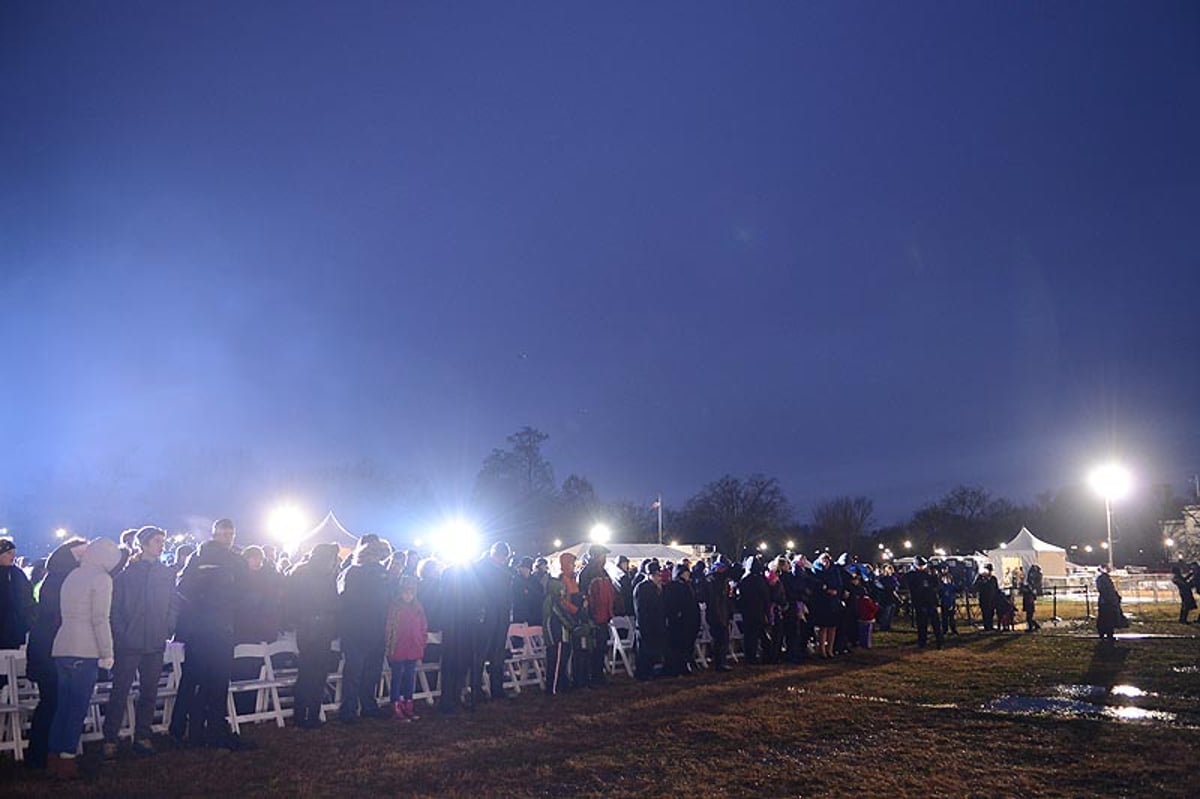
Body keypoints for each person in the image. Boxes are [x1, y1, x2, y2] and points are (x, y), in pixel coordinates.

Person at [170, 518, 250, 749]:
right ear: (215, 535)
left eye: (230, 534)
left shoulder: (216, 558)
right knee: (209, 681)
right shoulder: (215, 558)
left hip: (209, 629)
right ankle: (202, 729)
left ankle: (198, 729)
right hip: (211, 629)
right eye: (223, 534)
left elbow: (183, 589)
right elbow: (243, 592)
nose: (227, 538)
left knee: (205, 681)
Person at [47, 537, 121, 779]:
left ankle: (54, 756)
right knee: (77, 708)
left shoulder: (72, 576)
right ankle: (68, 759)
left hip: (62, 646)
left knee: (63, 706)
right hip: (85, 649)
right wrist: (107, 653)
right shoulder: (102, 579)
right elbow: (100, 619)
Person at [103, 526, 178, 758]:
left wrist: (167, 627)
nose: (161, 545)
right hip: (130, 643)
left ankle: (143, 736)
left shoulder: (165, 574)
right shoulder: (126, 576)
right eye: (157, 541)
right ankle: (110, 739)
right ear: (143, 544)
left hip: (154, 641)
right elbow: (114, 609)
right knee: (120, 691)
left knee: (149, 691)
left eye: (162, 541)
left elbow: (173, 603)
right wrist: (123, 633)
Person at [24, 537, 87, 770]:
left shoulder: (64, 579)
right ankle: (41, 753)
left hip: (57, 648)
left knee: (57, 702)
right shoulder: (57, 581)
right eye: (80, 556)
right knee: (51, 701)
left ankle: (49, 751)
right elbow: (54, 615)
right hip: (49, 650)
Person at [337, 536, 393, 722]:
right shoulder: (372, 573)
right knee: (365, 671)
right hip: (367, 627)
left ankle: (353, 709)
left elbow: (345, 598)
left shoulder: (352, 572)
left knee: (359, 671)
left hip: (359, 627)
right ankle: (361, 707)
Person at [285, 543, 340, 729]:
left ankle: (309, 715)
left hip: (318, 629)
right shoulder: (309, 575)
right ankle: (304, 715)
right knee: (311, 674)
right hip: (312, 629)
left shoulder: (319, 575)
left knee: (315, 674)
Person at [474, 542, 514, 701]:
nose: (503, 561)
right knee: (480, 655)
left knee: (498, 654)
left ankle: (497, 689)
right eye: (503, 558)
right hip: (486, 617)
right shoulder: (480, 569)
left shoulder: (504, 572)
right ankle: (477, 690)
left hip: (500, 616)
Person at [385, 575, 428, 721]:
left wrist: (422, 642)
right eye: (406, 592)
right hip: (399, 647)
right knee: (397, 677)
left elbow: (423, 626)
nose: (408, 595)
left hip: (413, 647)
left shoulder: (418, 607)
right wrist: (389, 646)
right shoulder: (395, 607)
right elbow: (390, 628)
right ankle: (395, 704)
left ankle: (408, 704)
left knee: (410, 677)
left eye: (411, 592)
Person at [581, 544, 617, 686]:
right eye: (603, 555)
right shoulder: (587, 573)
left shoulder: (602, 572)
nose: (605, 558)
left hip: (604, 616)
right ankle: (594, 677)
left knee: (601, 647)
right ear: (596, 556)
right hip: (594, 617)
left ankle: (599, 675)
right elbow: (586, 596)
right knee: (595, 648)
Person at [662, 563, 700, 676]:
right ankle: (678, 667)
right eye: (685, 573)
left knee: (687, 645)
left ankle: (685, 665)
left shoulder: (688, 585)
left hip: (689, 620)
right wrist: (678, 614)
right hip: (680, 622)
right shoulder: (674, 586)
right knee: (679, 646)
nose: (687, 574)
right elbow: (672, 605)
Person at [632, 561, 666, 680]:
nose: (659, 577)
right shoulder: (642, 588)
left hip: (655, 624)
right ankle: (643, 674)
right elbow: (641, 609)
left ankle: (650, 671)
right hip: (646, 625)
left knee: (652, 650)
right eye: (656, 575)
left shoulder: (655, 588)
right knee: (644, 651)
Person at [0, 537, 35, 650]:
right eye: (9, 553)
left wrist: (28, 621)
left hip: (14, 629)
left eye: (14, 553)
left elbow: (27, 598)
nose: (13, 556)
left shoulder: (17, 574)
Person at [736, 557, 771, 664]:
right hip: (758, 611)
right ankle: (764, 656)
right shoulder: (759, 580)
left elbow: (740, 596)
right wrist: (766, 610)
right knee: (760, 634)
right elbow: (765, 596)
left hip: (748, 612)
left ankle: (750, 656)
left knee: (750, 636)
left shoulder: (744, 580)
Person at [701, 558, 733, 672]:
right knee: (720, 639)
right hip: (717, 615)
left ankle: (721, 662)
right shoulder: (713, 581)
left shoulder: (721, 581)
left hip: (722, 614)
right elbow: (714, 601)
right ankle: (719, 663)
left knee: (723, 639)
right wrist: (720, 616)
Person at [906, 557, 943, 649]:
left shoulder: (928, 574)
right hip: (920, 602)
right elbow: (912, 588)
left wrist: (935, 576)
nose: (922, 567)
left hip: (931, 601)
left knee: (936, 623)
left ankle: (939, 641)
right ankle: (922, 641)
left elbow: (935, 586)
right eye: (920, 566)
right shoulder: (912, 575)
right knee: (922, 624)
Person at [511, 557, 544, 626]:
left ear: (529, 569)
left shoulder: (536, 583)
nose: (521, 570)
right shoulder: (515, 581)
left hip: (534, 617)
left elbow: (539, 598)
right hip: (520, 618)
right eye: (521, 567)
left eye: (524, 568)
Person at [1096, 563, 1124, 642]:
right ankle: (1104, 634)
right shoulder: (1102, 579)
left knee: (1107, 619)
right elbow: (1104, 590)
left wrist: (1116, 597)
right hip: (1106, 602)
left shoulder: (1105, 578)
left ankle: (1108, 634)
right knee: (1106, 619)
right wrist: (1111, 599)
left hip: (1107, 602)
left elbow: (1111, 590)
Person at [973, 563, 1000, 631]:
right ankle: (986, 626)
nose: (989, 572)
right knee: (985, 613)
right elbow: (975, 587)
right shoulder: (981, 578)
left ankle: (990, 626)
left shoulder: (993, 579)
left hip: (992, 599)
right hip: (984, 599)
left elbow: (996, 589)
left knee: (991, 613)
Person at [938, 572, 960, 637]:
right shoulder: (941, 587)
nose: (947, 580)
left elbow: (958, 589)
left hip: (951, 603)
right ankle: (945, 630)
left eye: (948, 578)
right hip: (944, 604)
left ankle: (953, 629)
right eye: (945, 578)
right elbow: (939, 594)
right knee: (944, 618)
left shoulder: (952, 586)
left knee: (952, 618)